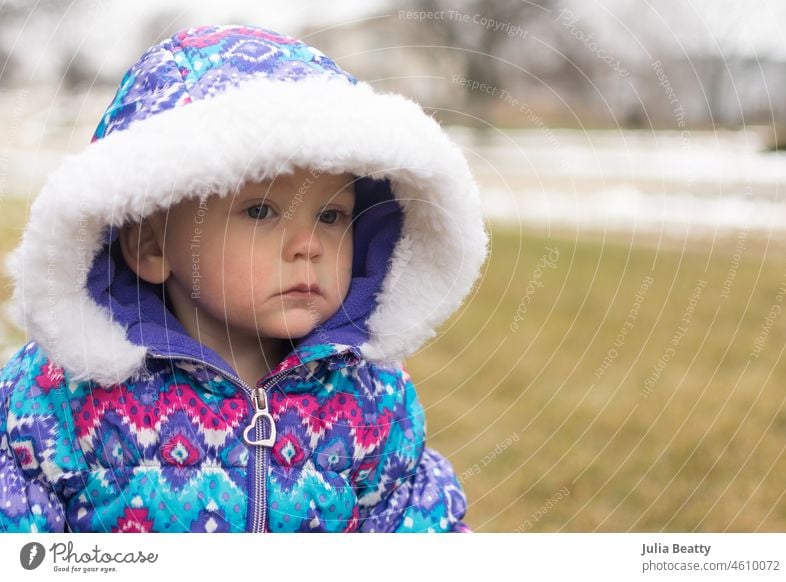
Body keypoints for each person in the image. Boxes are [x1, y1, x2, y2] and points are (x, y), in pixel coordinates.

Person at [0, 24, 488, 533]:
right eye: (260, 211)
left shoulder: (371, 396)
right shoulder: (61, 394)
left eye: (331, 216)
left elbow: (415, 524)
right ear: (150, 245)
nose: (308, 245)